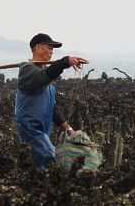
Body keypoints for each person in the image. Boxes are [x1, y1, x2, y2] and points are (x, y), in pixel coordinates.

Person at [14, 33, 87, 169]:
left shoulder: (46, 79)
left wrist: (68, 128)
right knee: (53, 158)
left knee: (39, 165)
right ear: (38, 47)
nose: (52, 51)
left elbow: (52, 109)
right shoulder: (27, 69)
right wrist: (65, 62)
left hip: (43, 129)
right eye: (49, 47)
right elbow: (44, 76)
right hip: (30, 127)